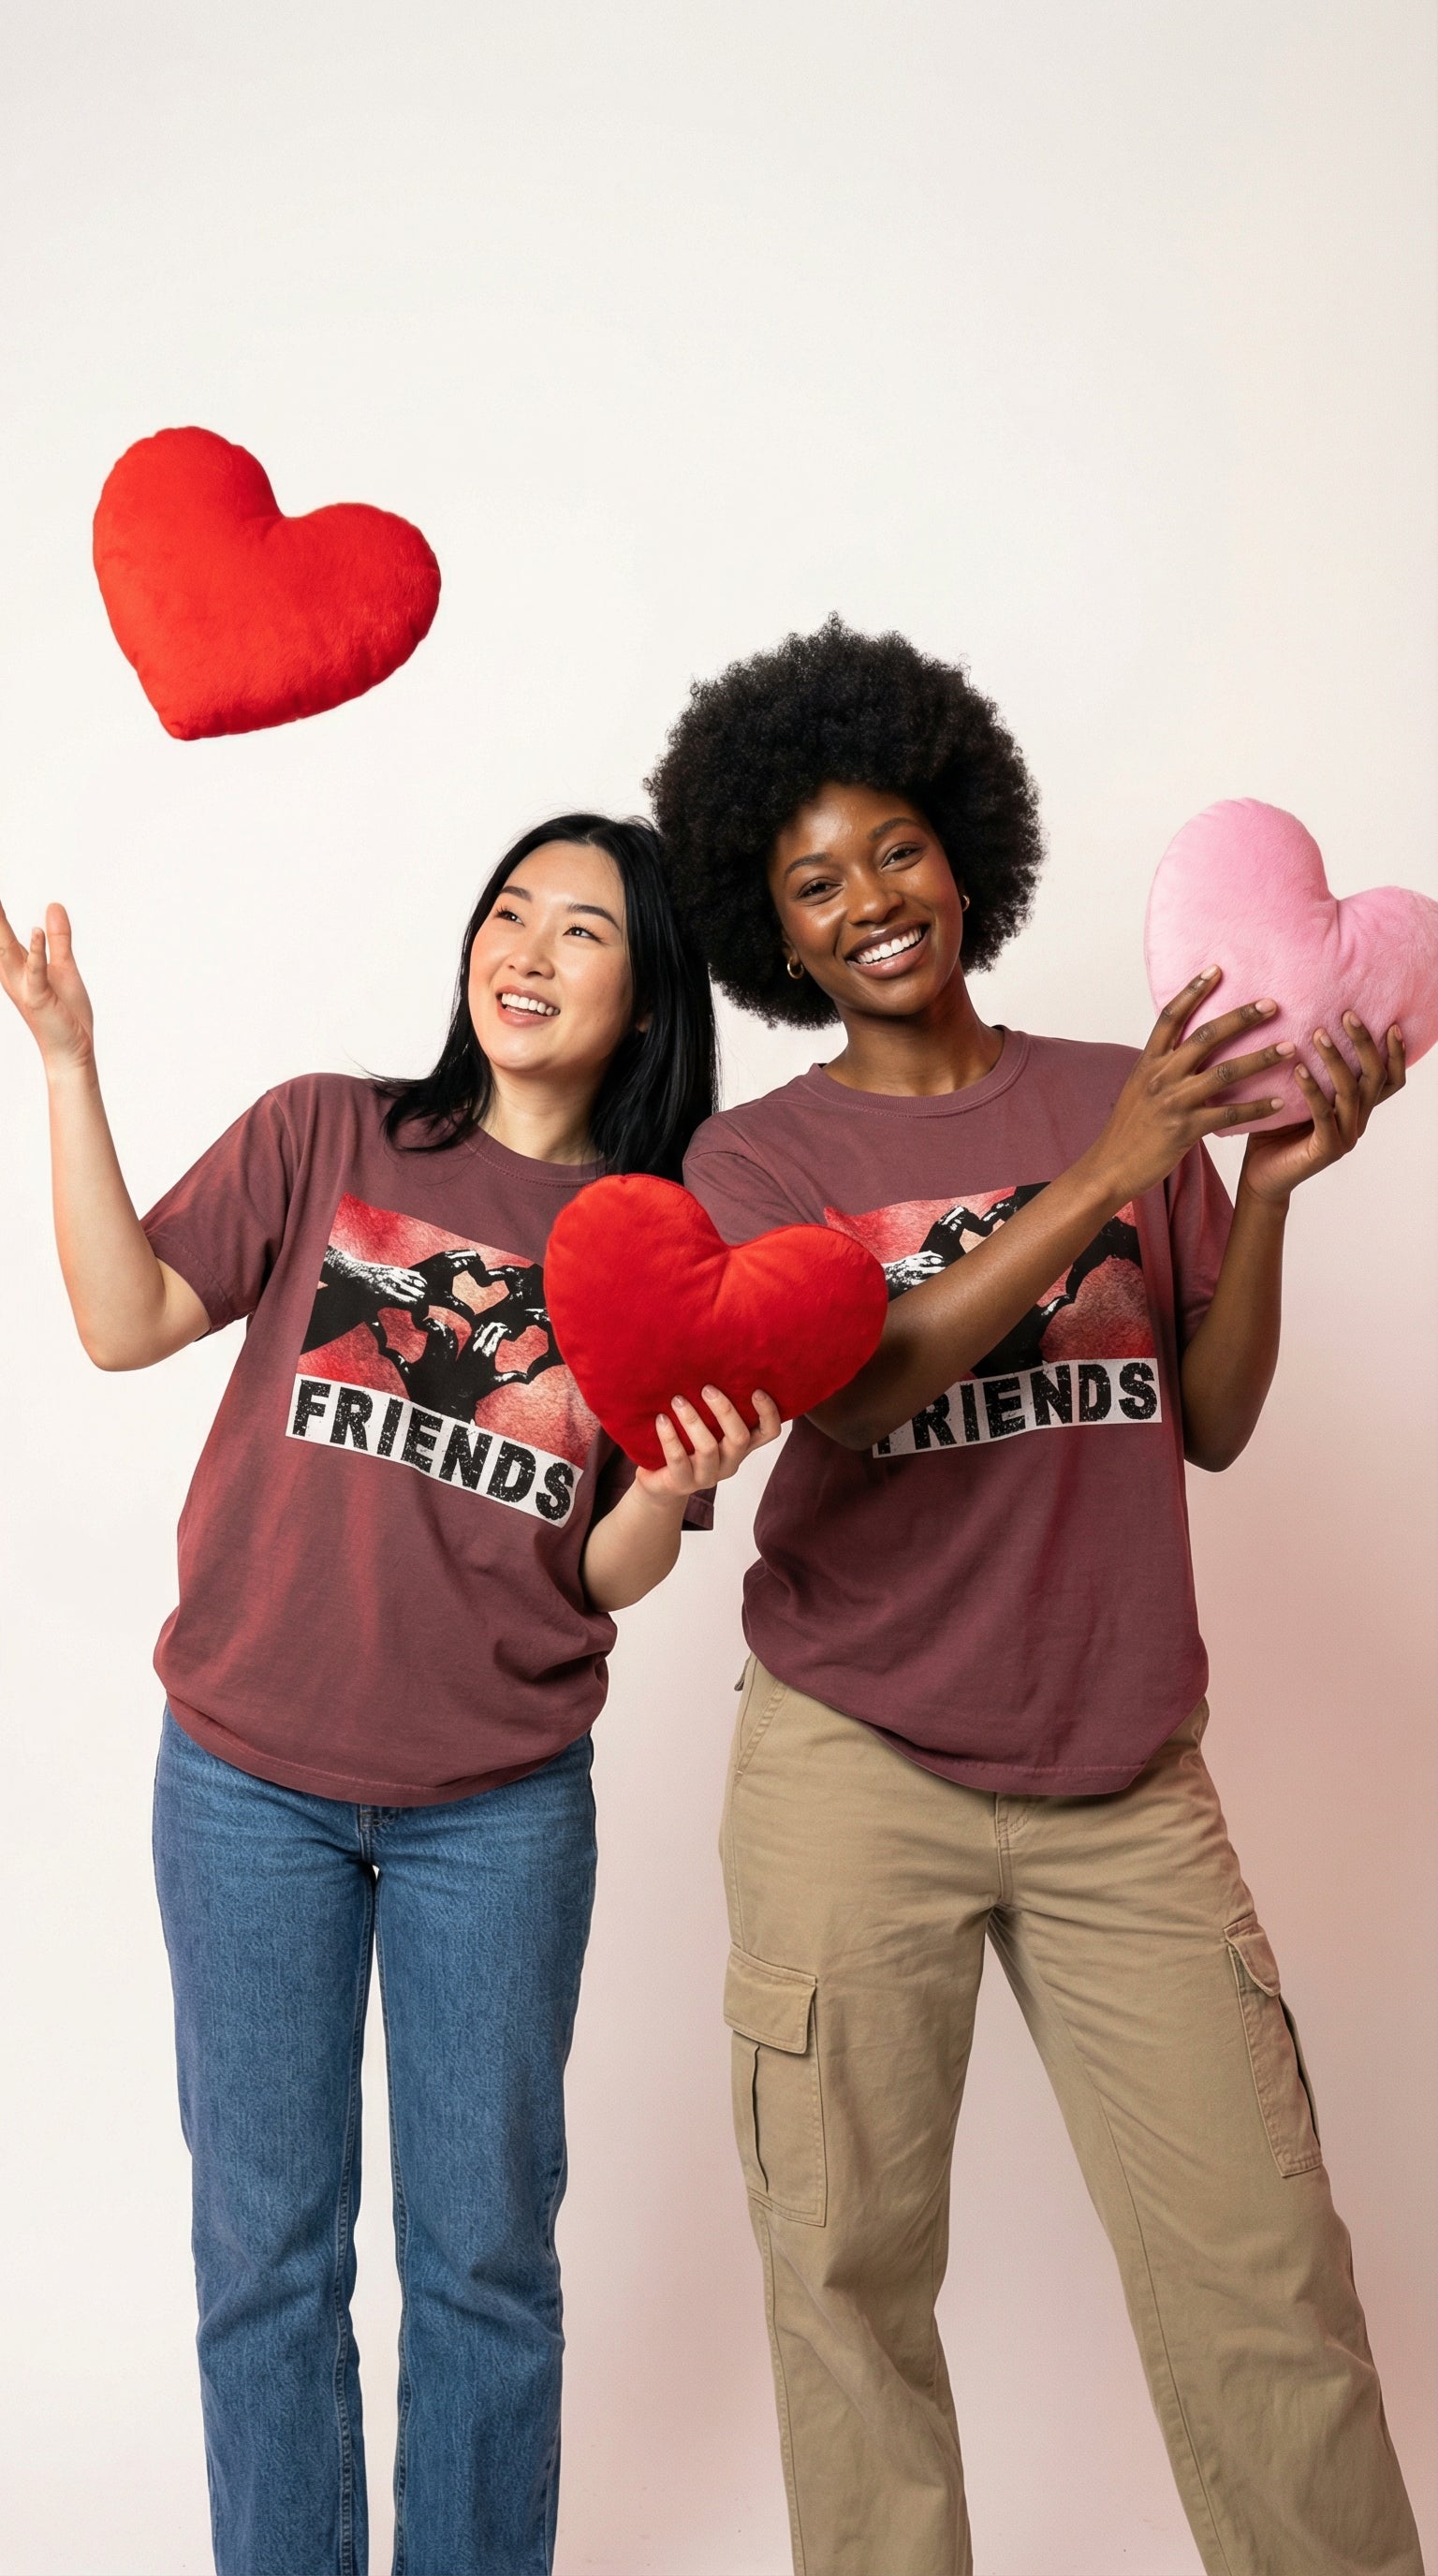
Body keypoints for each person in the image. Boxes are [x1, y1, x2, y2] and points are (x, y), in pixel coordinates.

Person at [648, 619, 1421, 2576]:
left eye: (895, 849)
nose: (870, 902)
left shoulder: (1127, 1088)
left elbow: (1212, 1420)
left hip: (1124, 1771)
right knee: (846, 2286)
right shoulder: (762, 1158)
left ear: (963, 848)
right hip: (855, 1760)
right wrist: (1097, 1180)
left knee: (1267, 2277)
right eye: (814, 883)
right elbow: (861, 1388)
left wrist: (1263, 1190)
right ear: (773, 932)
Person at [0, 813, 779, 2576]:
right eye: (509, 910)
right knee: (266, 2259)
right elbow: (125, 1322)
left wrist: (669, 1483)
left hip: (495, 1811)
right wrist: (65, 1064)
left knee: (484, 2264)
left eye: (581, 929)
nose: (527, 949)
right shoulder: (328, 1131)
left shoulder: (655, 1247)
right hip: (244, 1784)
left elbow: (605, 1572)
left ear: (647, 995)